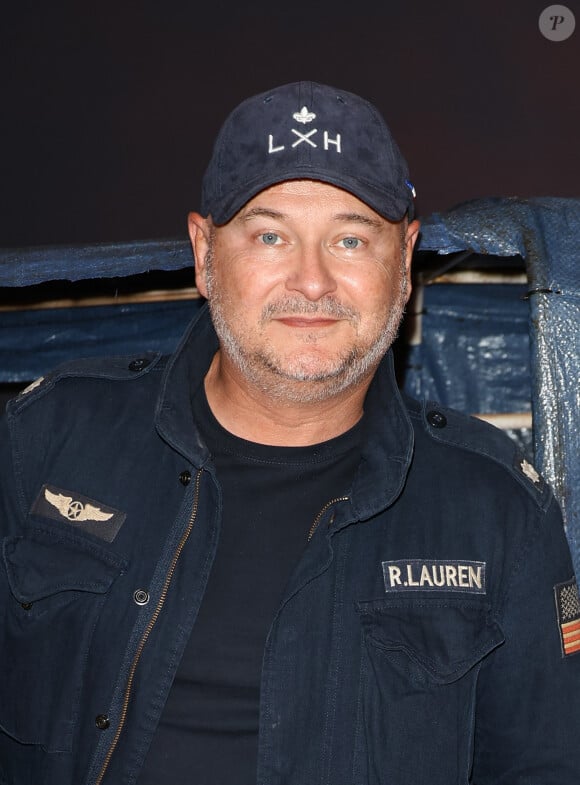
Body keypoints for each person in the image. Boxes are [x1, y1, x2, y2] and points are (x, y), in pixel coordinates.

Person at [0, 81, 578, 785]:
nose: (312, 280)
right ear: (205, 253)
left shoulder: (501, 511)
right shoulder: (48, 436)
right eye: (271, 234)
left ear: (405, 260)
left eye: (350, 238)